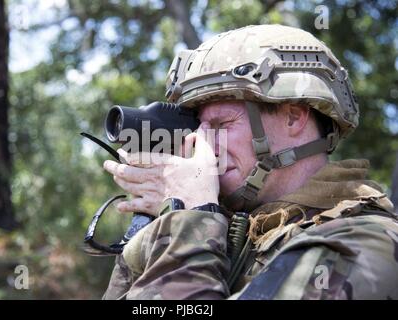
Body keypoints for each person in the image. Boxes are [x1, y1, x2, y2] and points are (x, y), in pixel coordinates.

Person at [101, 24, 398, 300]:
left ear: (293, 117)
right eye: (199, 127)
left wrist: (191, 220)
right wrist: (157, 229)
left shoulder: (360, 245)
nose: (200, 144)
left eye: (222, 124)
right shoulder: (231, 237)